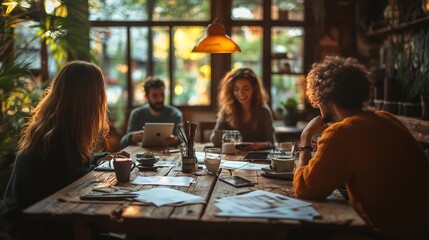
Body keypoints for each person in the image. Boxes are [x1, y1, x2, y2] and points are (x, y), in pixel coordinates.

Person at [293, 56, 429, 239]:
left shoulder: (343, 131)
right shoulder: (388, 118)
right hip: (421, 230)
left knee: (301, 233)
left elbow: (305, 189)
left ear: (325, 99)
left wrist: (305, 138)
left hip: (386, 233)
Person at [0, 61, 110, 239]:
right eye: (99, 91)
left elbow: (74, 166)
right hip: (34, 226)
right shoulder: (60, 133)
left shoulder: (56, 124)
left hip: (35, 216)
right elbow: (76, 181)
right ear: (87, 96)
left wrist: (101, 159)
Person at [210, 68, 274, 150]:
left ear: (254, 89)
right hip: (232, 158)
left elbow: (271, 143)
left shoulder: (264, 112)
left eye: (246, 89)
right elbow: (215, 139)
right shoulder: (227, 110)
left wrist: (261, 145)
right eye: (236, 89)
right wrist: (230, 139)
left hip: (256, 158)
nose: (240, 93)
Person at [120, 77, 183, 148]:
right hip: (142, 156)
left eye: (162, 95)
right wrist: (131, 138)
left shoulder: (175, 114)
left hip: (168, 155)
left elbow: (183, 140)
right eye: (155, 95)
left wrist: (176, 140)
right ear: (146, 96)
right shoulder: (137, 114)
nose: (160, 99)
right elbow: (122, 143)